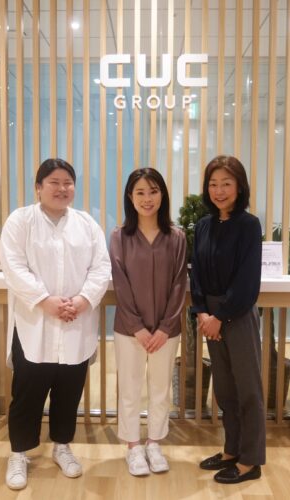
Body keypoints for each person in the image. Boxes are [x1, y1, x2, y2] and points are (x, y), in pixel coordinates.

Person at [0, 158, 111, 490]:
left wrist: (83, 300)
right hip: (34, 325)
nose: (62, 189)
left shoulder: (87, 224)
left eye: (68, 183)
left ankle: (62, 446)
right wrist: (45, 300)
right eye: (54, 182)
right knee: (26, 393)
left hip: (76, 323)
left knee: (69, 392)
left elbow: (101, 268)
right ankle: (19, 453)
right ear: (38, 187)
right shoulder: (21, 220)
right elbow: (13, 266)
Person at [190, 155, 265, 484]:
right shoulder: (203, 225)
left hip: (237, 313)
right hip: (210, 316)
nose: (219, 191)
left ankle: (251, 461)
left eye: (226, 184)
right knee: (225, 388)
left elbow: (248, 280)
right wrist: (202, 311)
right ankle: (232, 450)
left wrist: (219, 316)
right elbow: (196, 273)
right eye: (213, 184)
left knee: (248, 389)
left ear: (239, 187)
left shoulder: (249, 225)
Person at [109, 168, 187, 476]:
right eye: (140, 192)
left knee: (160, 388)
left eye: (153, 191)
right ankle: (133, 446)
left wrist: (165, 327)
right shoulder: (119, 237)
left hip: (166, 331)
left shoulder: (176, 237)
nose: (147, 198)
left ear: (162, 195)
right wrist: (138, 328)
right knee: (129, 388)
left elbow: (179, 284)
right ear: (130, 197)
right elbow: (120, 284)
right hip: (130, 331)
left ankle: (154, 442)